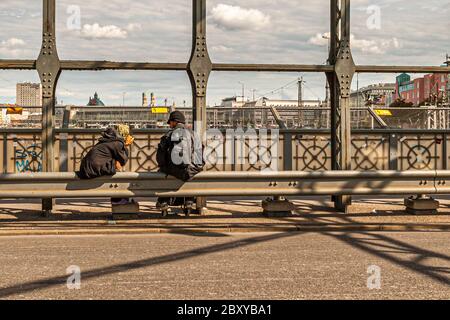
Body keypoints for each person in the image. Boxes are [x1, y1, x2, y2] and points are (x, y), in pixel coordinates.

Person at [156, 111, 204, 215]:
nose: (169, 125)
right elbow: (200, 157)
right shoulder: (194, 134)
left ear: (174, 122)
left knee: (162, 173)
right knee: (190, 174)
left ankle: (163, 201)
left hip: (174, 170)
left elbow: (160, 158)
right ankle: (189, 200)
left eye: (170, 122)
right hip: (190, 170)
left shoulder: (168, 135)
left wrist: (165, 166)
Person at [78, 126, 134, 206]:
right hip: (93, 169)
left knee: (115, 165)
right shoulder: (117, 143)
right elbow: (123, 160)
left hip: (85, 168)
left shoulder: (106, 141)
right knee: (118, 166)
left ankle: (118, 198)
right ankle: (118, 199)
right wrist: (126, 145)